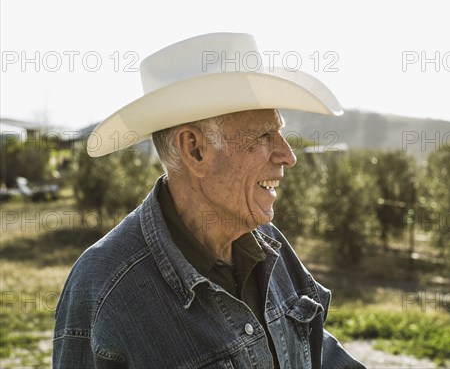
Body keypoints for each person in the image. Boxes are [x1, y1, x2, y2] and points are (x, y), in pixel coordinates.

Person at [53, 33, 365, 368]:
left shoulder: (271, 246)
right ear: (195, 149)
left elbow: (315, 352)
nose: (288, 155)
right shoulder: (103, 286)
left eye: (280, 132)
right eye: (264, 135)